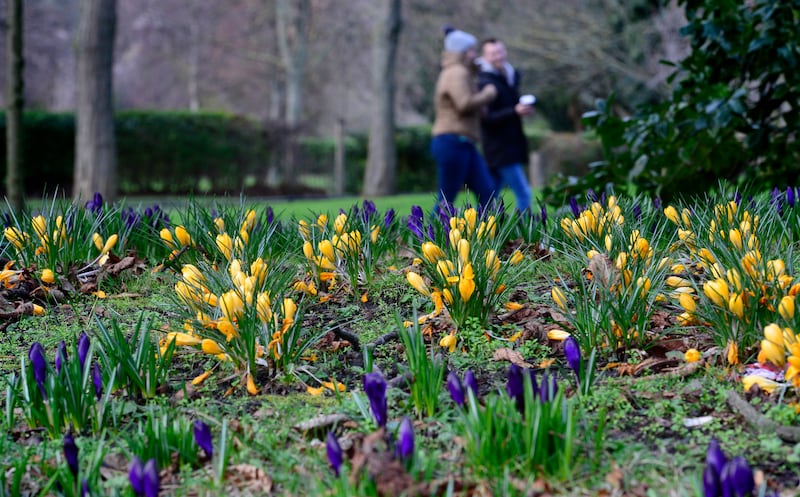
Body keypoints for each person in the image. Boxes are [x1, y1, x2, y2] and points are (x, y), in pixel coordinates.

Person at [431, 26, 498, 210]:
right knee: (446, 197)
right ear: (462, 52)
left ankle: (487, 235)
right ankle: (425, 236)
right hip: (451, 141)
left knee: (487, 191)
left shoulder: (463, 72)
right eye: (471, 50)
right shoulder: (455, 73)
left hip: (464, 142)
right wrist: (488, 94)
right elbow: (463, 103)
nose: (474, 54)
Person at [477, 38, 534, 212]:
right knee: (524, 193)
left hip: (511, 145)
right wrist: (514, 112)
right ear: (485, 57)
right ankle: (527, 234)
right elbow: (486, 118)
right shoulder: (484, 82)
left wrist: (521, 110)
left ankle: (478, 229)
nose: (498, 56)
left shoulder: (509, 77)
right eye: (493, 53)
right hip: (500, 149)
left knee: (489, 196)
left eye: (500, 51)